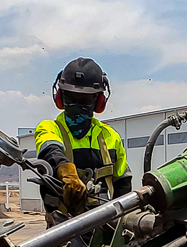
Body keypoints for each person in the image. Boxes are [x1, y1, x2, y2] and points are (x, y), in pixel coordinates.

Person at [34, 58, 130, 221]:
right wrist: (67, 172)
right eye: (71, 98)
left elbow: (123, 184)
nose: (77, 105)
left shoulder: (110, 137)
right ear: (60, 98)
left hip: (104, 226)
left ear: (98, 101)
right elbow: (50, 150)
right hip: (61, 231)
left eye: (85, 99)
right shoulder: (49, 128)